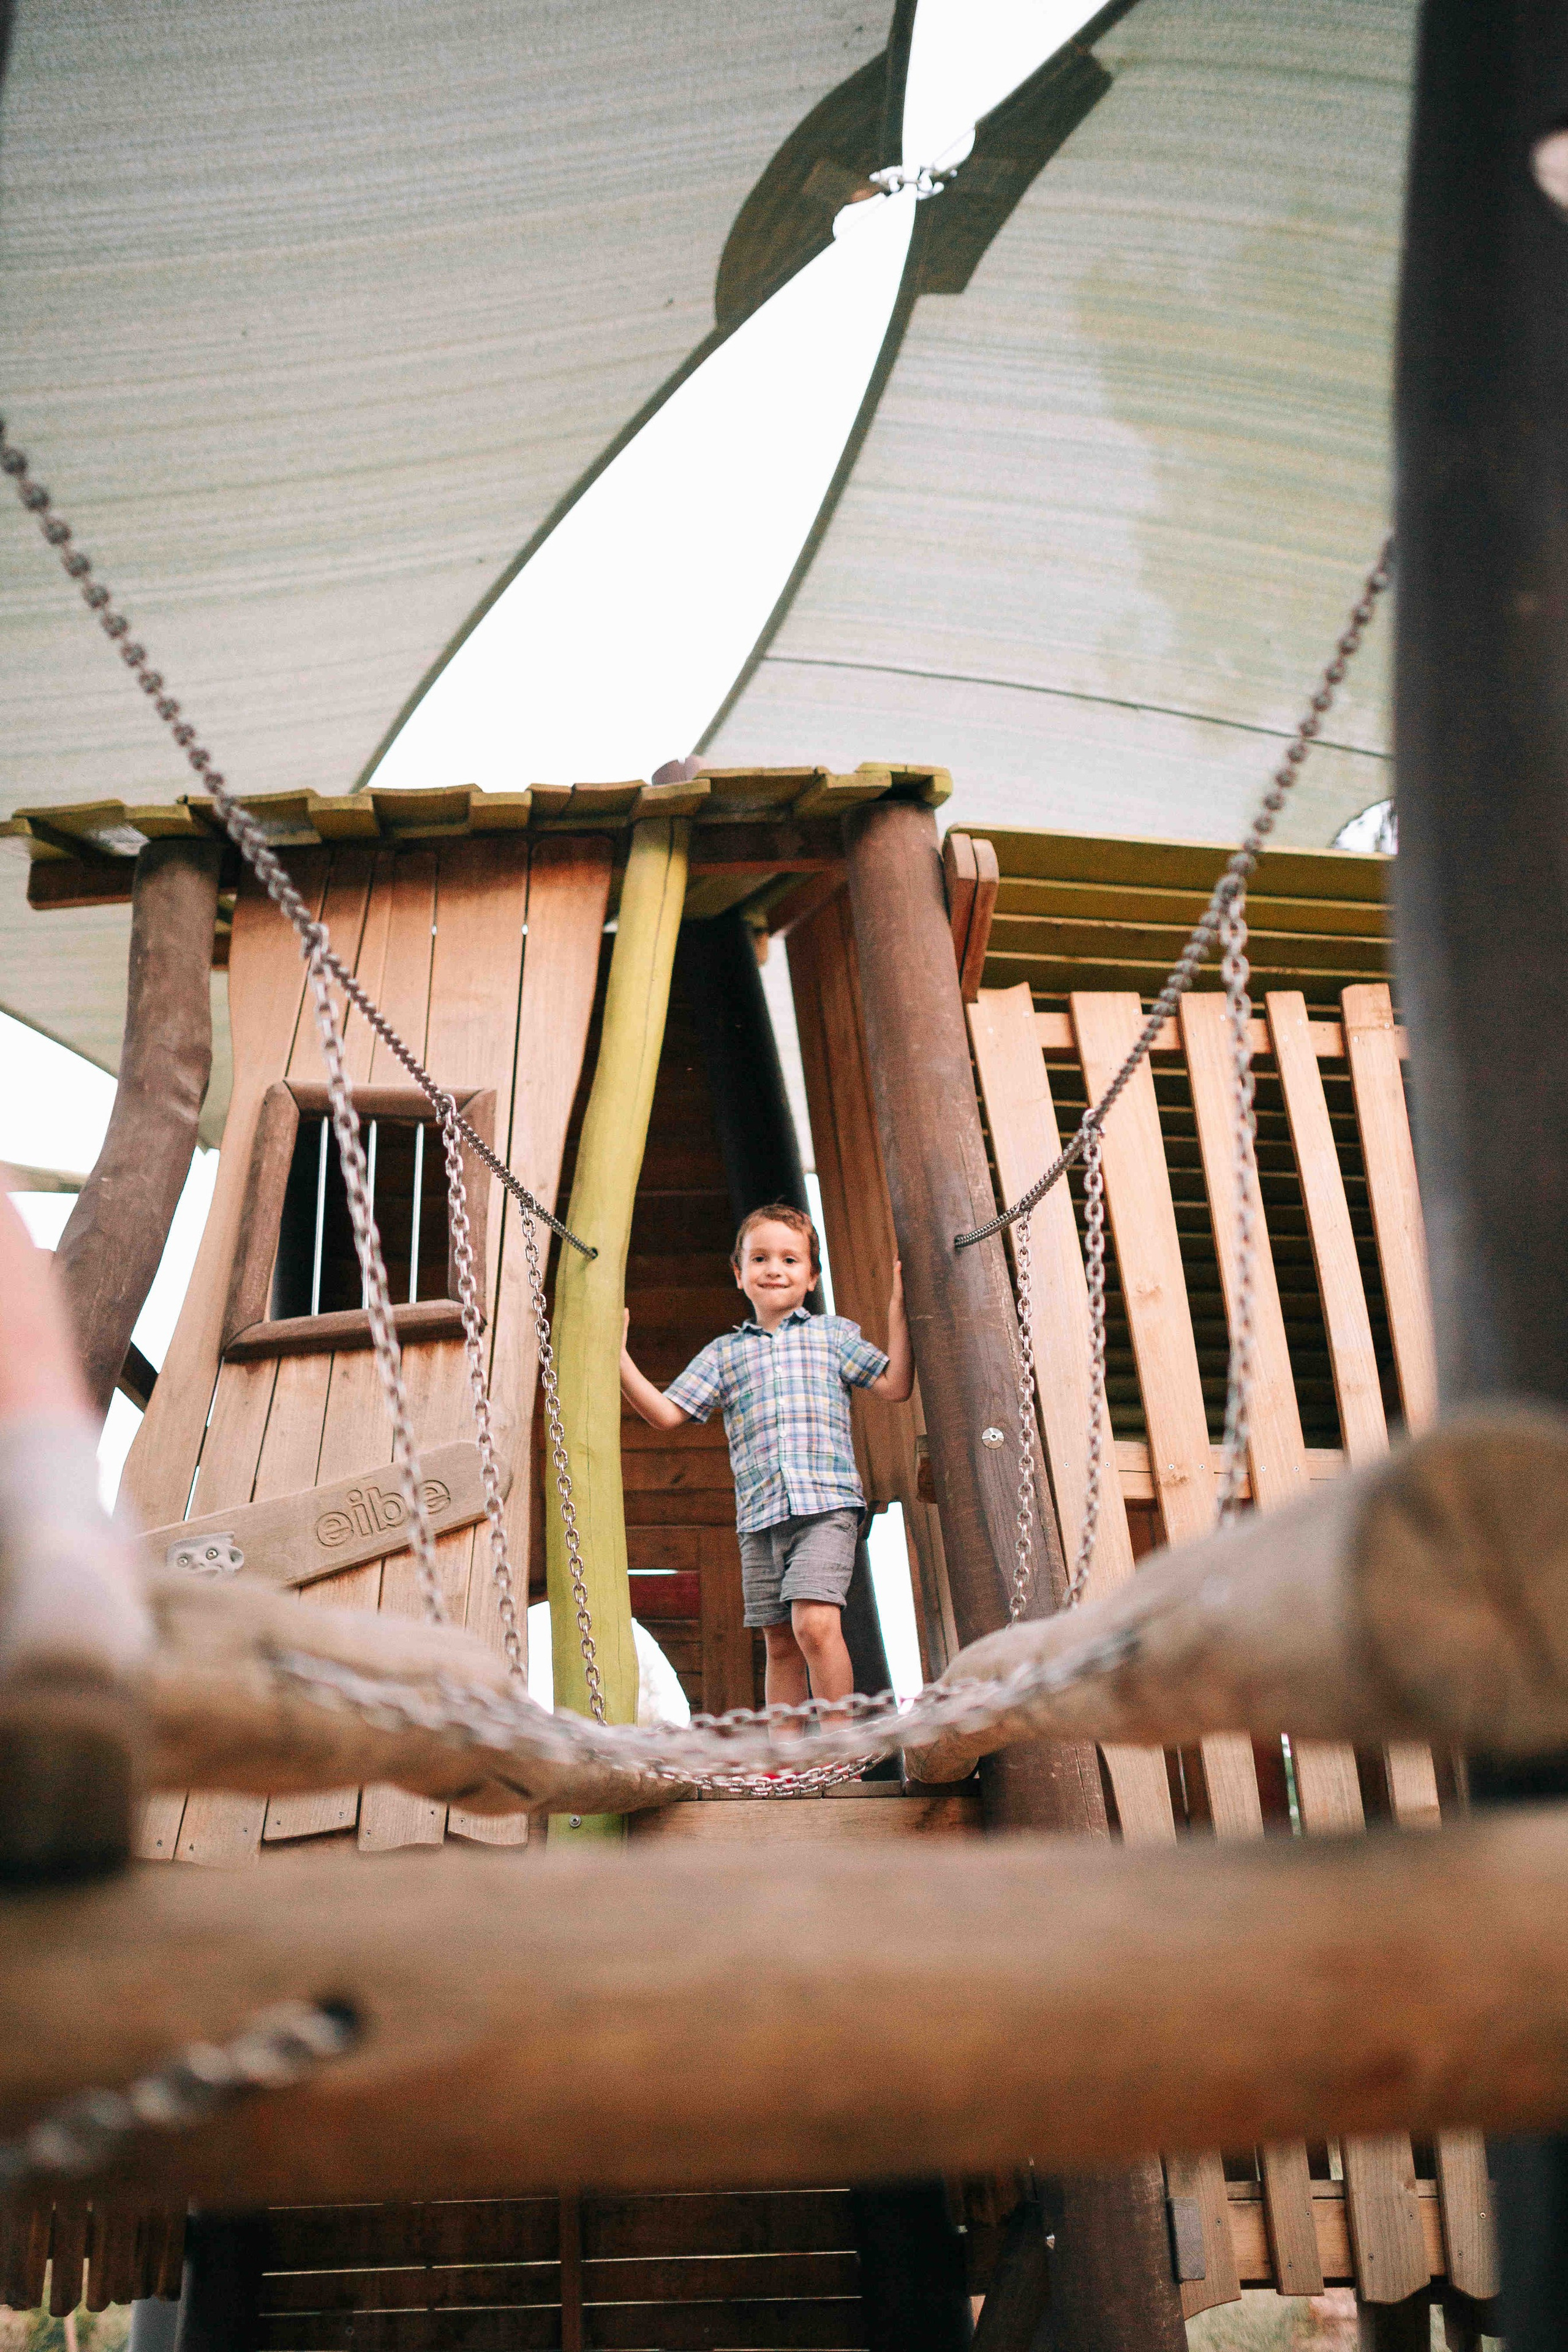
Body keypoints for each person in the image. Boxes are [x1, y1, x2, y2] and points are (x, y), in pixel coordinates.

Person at [620, 1201, 912, 1716]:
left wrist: (899, 1306)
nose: (774, 1269)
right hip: (759, 1519)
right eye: (759, 1259)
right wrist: (617, 1358)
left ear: (812, 1277)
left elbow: (894, 1385)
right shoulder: (724, 1354)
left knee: (814, 1625)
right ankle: (788, 1761)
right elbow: (666, 1414)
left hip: (826, 1507)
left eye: (790, 1260)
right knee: (779, 1643)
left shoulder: (834, 1335)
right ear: (739, 1274)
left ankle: (841, 1750)